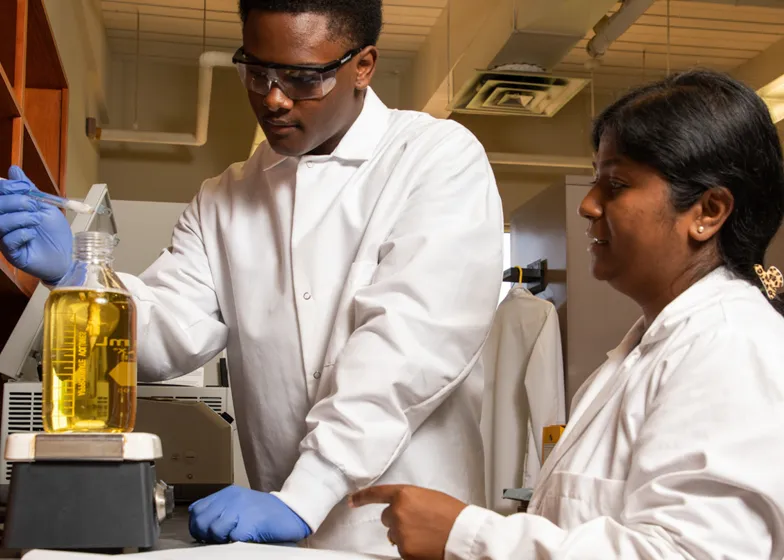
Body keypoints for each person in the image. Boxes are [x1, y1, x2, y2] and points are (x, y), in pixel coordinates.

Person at [0, 0, 503, 554]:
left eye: (303, 78)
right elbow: (169, 333)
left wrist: (305, 495)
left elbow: (408, 349)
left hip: (406, 534)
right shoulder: (223, 197)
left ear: (363, 66)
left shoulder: (435, 158)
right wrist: (80, 275)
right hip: (281, 533)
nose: (274, 98)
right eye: (257, 71)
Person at [350, 69, 784, 560]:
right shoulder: (644, 353)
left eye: (616, 184)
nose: (587, 204)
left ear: (708, 211)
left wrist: (467, 535)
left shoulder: (729, 349)